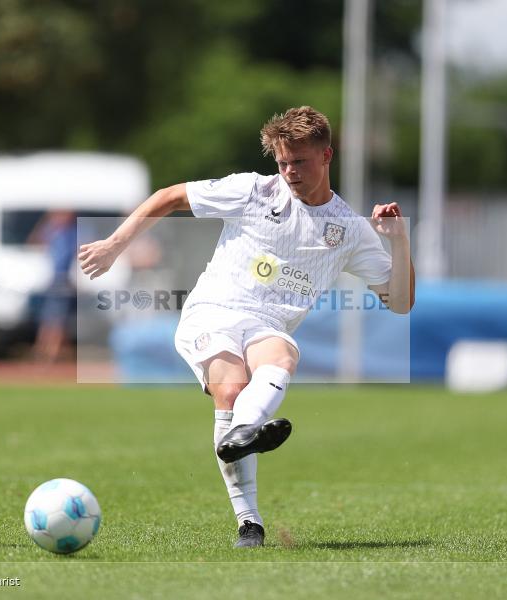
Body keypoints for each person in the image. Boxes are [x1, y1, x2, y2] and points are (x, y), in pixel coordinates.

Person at [78, 106, 415, 547]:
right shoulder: (252, 191)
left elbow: (401, 301)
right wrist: (114, 244)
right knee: (233, 389)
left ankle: (244, 441)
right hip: (211, 311)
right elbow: (169, 195)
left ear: (327, 155)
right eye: (283, 162)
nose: (290, 171)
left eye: (300, 161)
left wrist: (398, 239)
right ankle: (248, 518)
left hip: (267, 323)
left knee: (283, 354)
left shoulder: (349, 229)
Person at [28, 210, 77, 363]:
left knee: (56, 322)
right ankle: (47, 355)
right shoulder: (52, 231)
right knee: (51, 321)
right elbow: (33, 242)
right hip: (53, 282)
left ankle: (49, 357)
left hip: (63, 281)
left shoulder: (73, 233)